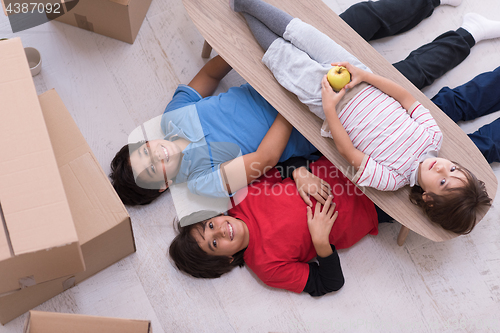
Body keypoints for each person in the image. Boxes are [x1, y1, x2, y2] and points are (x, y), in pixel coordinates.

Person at [110, 0, 494, 208]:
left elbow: (209, 77)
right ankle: (467, 33)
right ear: (163, 188)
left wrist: (243, 47)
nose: (155, 155)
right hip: (310, 110)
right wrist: (290, 94)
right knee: (411, 72)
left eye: (144, 151)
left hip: (285, 74)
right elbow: (268, 155)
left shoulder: (172, 117)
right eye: (153, 170)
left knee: (357, 20)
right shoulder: (203, 184)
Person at [231, 0, 494, 234]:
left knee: (281, 57)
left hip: (326, 101)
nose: (442, 168)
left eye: (443, 181)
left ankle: (241, 7)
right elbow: (405, 98)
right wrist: (364, 75)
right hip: (358, 77)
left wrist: (330, 106)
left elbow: (347, 150)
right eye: (453, 168)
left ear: (428, 199)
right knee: (302, 32)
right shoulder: (433, 136)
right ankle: (247, 2)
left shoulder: (392, 180)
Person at [169, 157, 379, 296]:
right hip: (373, 206)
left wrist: (299, 173)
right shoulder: (267, 269)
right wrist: (321, 241)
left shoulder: (241, 197)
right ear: (226, 259)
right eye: (214, 243)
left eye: (211, 224)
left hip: (343, 160)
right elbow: (330, 283)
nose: (221, 230)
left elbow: (283, 163)